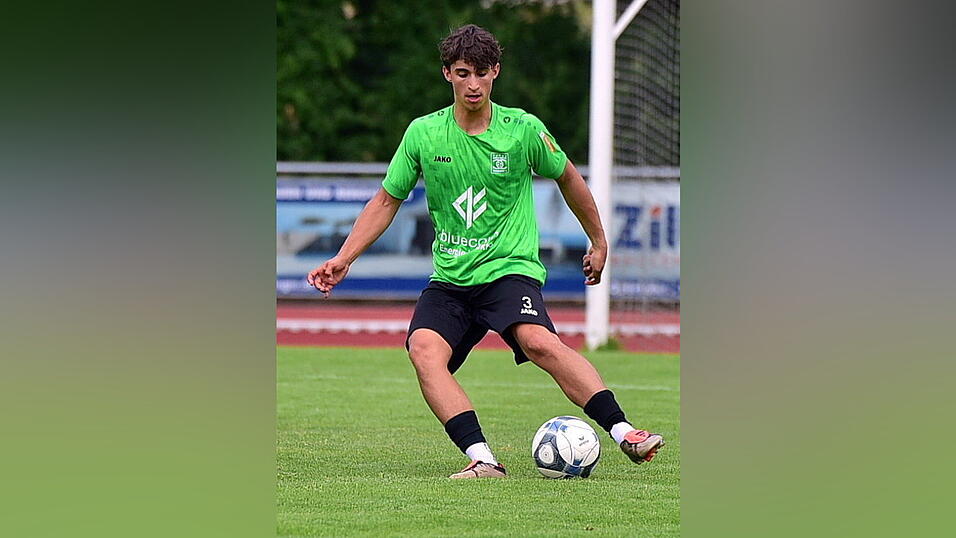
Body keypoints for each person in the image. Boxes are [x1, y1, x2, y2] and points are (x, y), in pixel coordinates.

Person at [307, 24, 664, 479]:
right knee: (423, 350)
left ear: (495, 71)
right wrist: (344, 257)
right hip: (452, 279)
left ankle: (624, 432)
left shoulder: (523, 130)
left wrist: (598, 239)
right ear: (447, 75)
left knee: (537, 340)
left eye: (481, 73)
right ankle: (484, 459)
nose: (473, 84)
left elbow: (570, 178)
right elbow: (385, 200)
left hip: (508, 270)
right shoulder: (423, 134)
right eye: (462, 73)